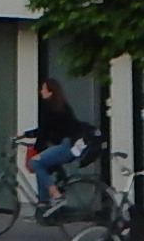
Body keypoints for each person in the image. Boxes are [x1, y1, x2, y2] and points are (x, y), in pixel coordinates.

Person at [19, 78, 100, 218]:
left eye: (43, 89)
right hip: (69, 144)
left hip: (66, 146)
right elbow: (48, 129)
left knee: (35, 162)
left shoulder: (49, 108)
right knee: (42, 166)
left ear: (50, 92)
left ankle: (56, 195)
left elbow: (44, 132)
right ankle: (43, 208)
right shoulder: (61, 106)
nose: (41, 91)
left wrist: (36, 149)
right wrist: (26, 134)